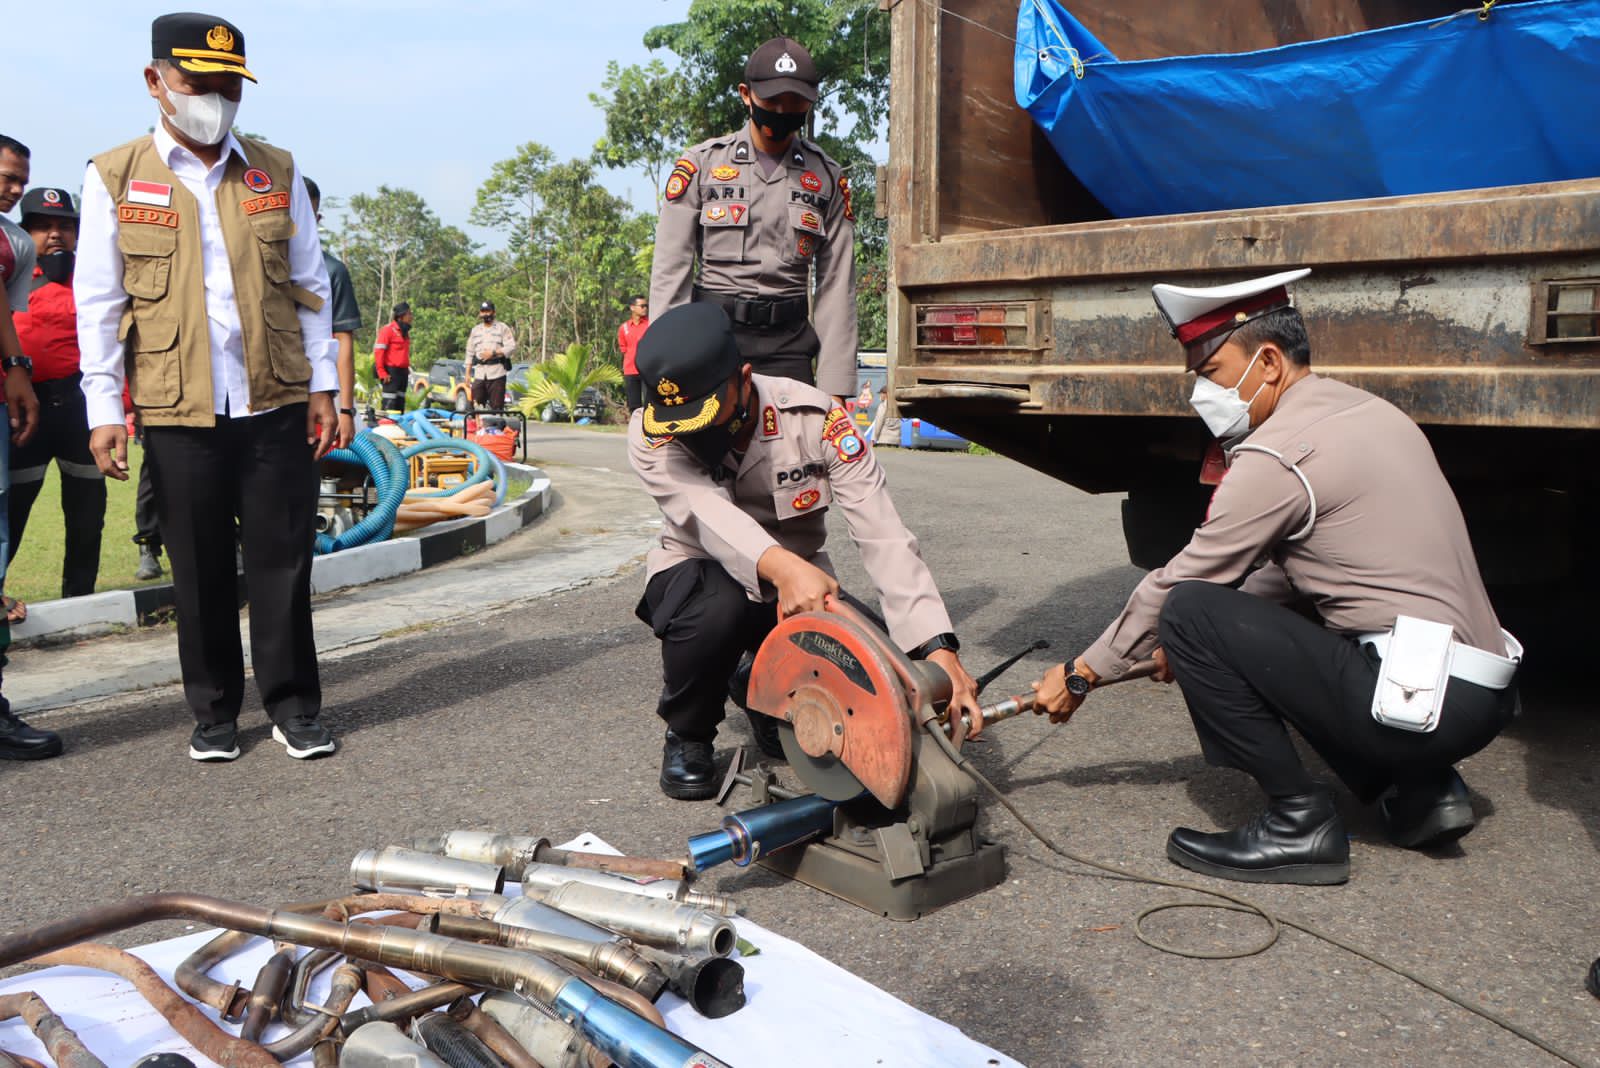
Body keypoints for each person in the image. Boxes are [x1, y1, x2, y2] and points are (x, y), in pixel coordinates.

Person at [1030, 268, 1521, 886]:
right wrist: (1200, 650)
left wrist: (1081, 673)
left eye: (1210, 375)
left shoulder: (1279, 454)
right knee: (1209, 623)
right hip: (1480, 690)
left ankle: (1299, 822)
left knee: (1186, 607)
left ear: (1266, 362)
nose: (1201, 395)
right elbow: (1291, 580)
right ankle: (1426, 789)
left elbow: (1182, 584)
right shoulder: (1369, 414)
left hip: (1425, 703)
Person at [77, 12, 340, 762]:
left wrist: (325, 388)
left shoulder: (275, 171)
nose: (216, 99)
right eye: (201, 82)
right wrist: (105, 410)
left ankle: (293, 705)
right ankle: (216, 711)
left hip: (275, 398)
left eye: (231, 86)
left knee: (283, 561)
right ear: (156, 81)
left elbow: (309, 285)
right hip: (174, 402)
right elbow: (98, 304)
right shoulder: (116, 176)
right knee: (196, 567)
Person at [628, 302, 980, 799]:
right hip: (696, 570)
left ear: (743, 379)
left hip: (801, 585)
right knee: (716, 611)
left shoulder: (816, 419)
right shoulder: (651, 432)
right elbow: (704, 510)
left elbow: (882, 533)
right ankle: (688, 733)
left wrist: (936, 649)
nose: (688, 429)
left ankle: (761, 687)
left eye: (701, 413)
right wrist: (783, 568)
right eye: (677, 419)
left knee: (877, 675)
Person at [649, 37, 857, 402]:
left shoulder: (827, 177)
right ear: (746, 95)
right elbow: (671, 270)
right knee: (697, 452)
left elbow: (837, 286)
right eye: (772, 100)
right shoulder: (702, 165)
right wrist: (668, 360)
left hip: (789, 343)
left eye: (794, 101)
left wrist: (836, 387)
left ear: (811, 100)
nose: (782, 109)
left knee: (799, 454)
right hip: (713, 335)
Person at [10, 187, 109, 599]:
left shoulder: (94, 280)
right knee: (11, 511)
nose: (55, 235)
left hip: (79, 408)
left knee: (87, 513)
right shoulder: (11, 280)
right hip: (22, 408)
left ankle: (80, 599)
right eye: (43, 226)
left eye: (65, 227)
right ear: (24, 231)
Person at [0, 135, 52, 761]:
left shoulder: (16, 244)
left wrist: (17, 372)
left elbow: (7, 317)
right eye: (7, 178)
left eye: (19, 180)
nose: (13, 189)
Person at [304, 178, 362, 446]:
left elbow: (343, 340)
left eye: (307, 214)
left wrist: (346, 410)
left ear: (317, 217)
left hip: (317, 395)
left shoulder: (332, 271)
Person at [464, 300, 515, 411]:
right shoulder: (476, 330)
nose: (486, 314)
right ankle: (479, 427)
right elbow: (469, 352)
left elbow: (511, 346)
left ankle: (495, 427)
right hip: (479, 373)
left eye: (488, 311)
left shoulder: (502, 328)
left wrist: (493, 353)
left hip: (497, 373)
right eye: (483, 311)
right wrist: (467, 374)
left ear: (493, 312)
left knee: (496, 408)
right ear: (480, 313)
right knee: (476, 406)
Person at [374, 302, 412, 413]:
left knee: (400, 405)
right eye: (409, 314)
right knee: (389, 404)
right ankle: (385, 428)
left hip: (403, 373)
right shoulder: (388, 330)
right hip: (391, 373)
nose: (411, 317)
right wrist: (381, 372)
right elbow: (379, 352)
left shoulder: (405, 332)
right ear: (401, 316)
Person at [618, 295, 649, 412]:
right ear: (632, 308)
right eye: (642, 306)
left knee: (649, 404)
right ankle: (635, 428)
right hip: (630, 370)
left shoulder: (650, 324)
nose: (645, 308)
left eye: (646, 306)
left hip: (647, 370)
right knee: (633, 405)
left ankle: (649, 429)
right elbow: (623, 348)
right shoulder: (624, 328)